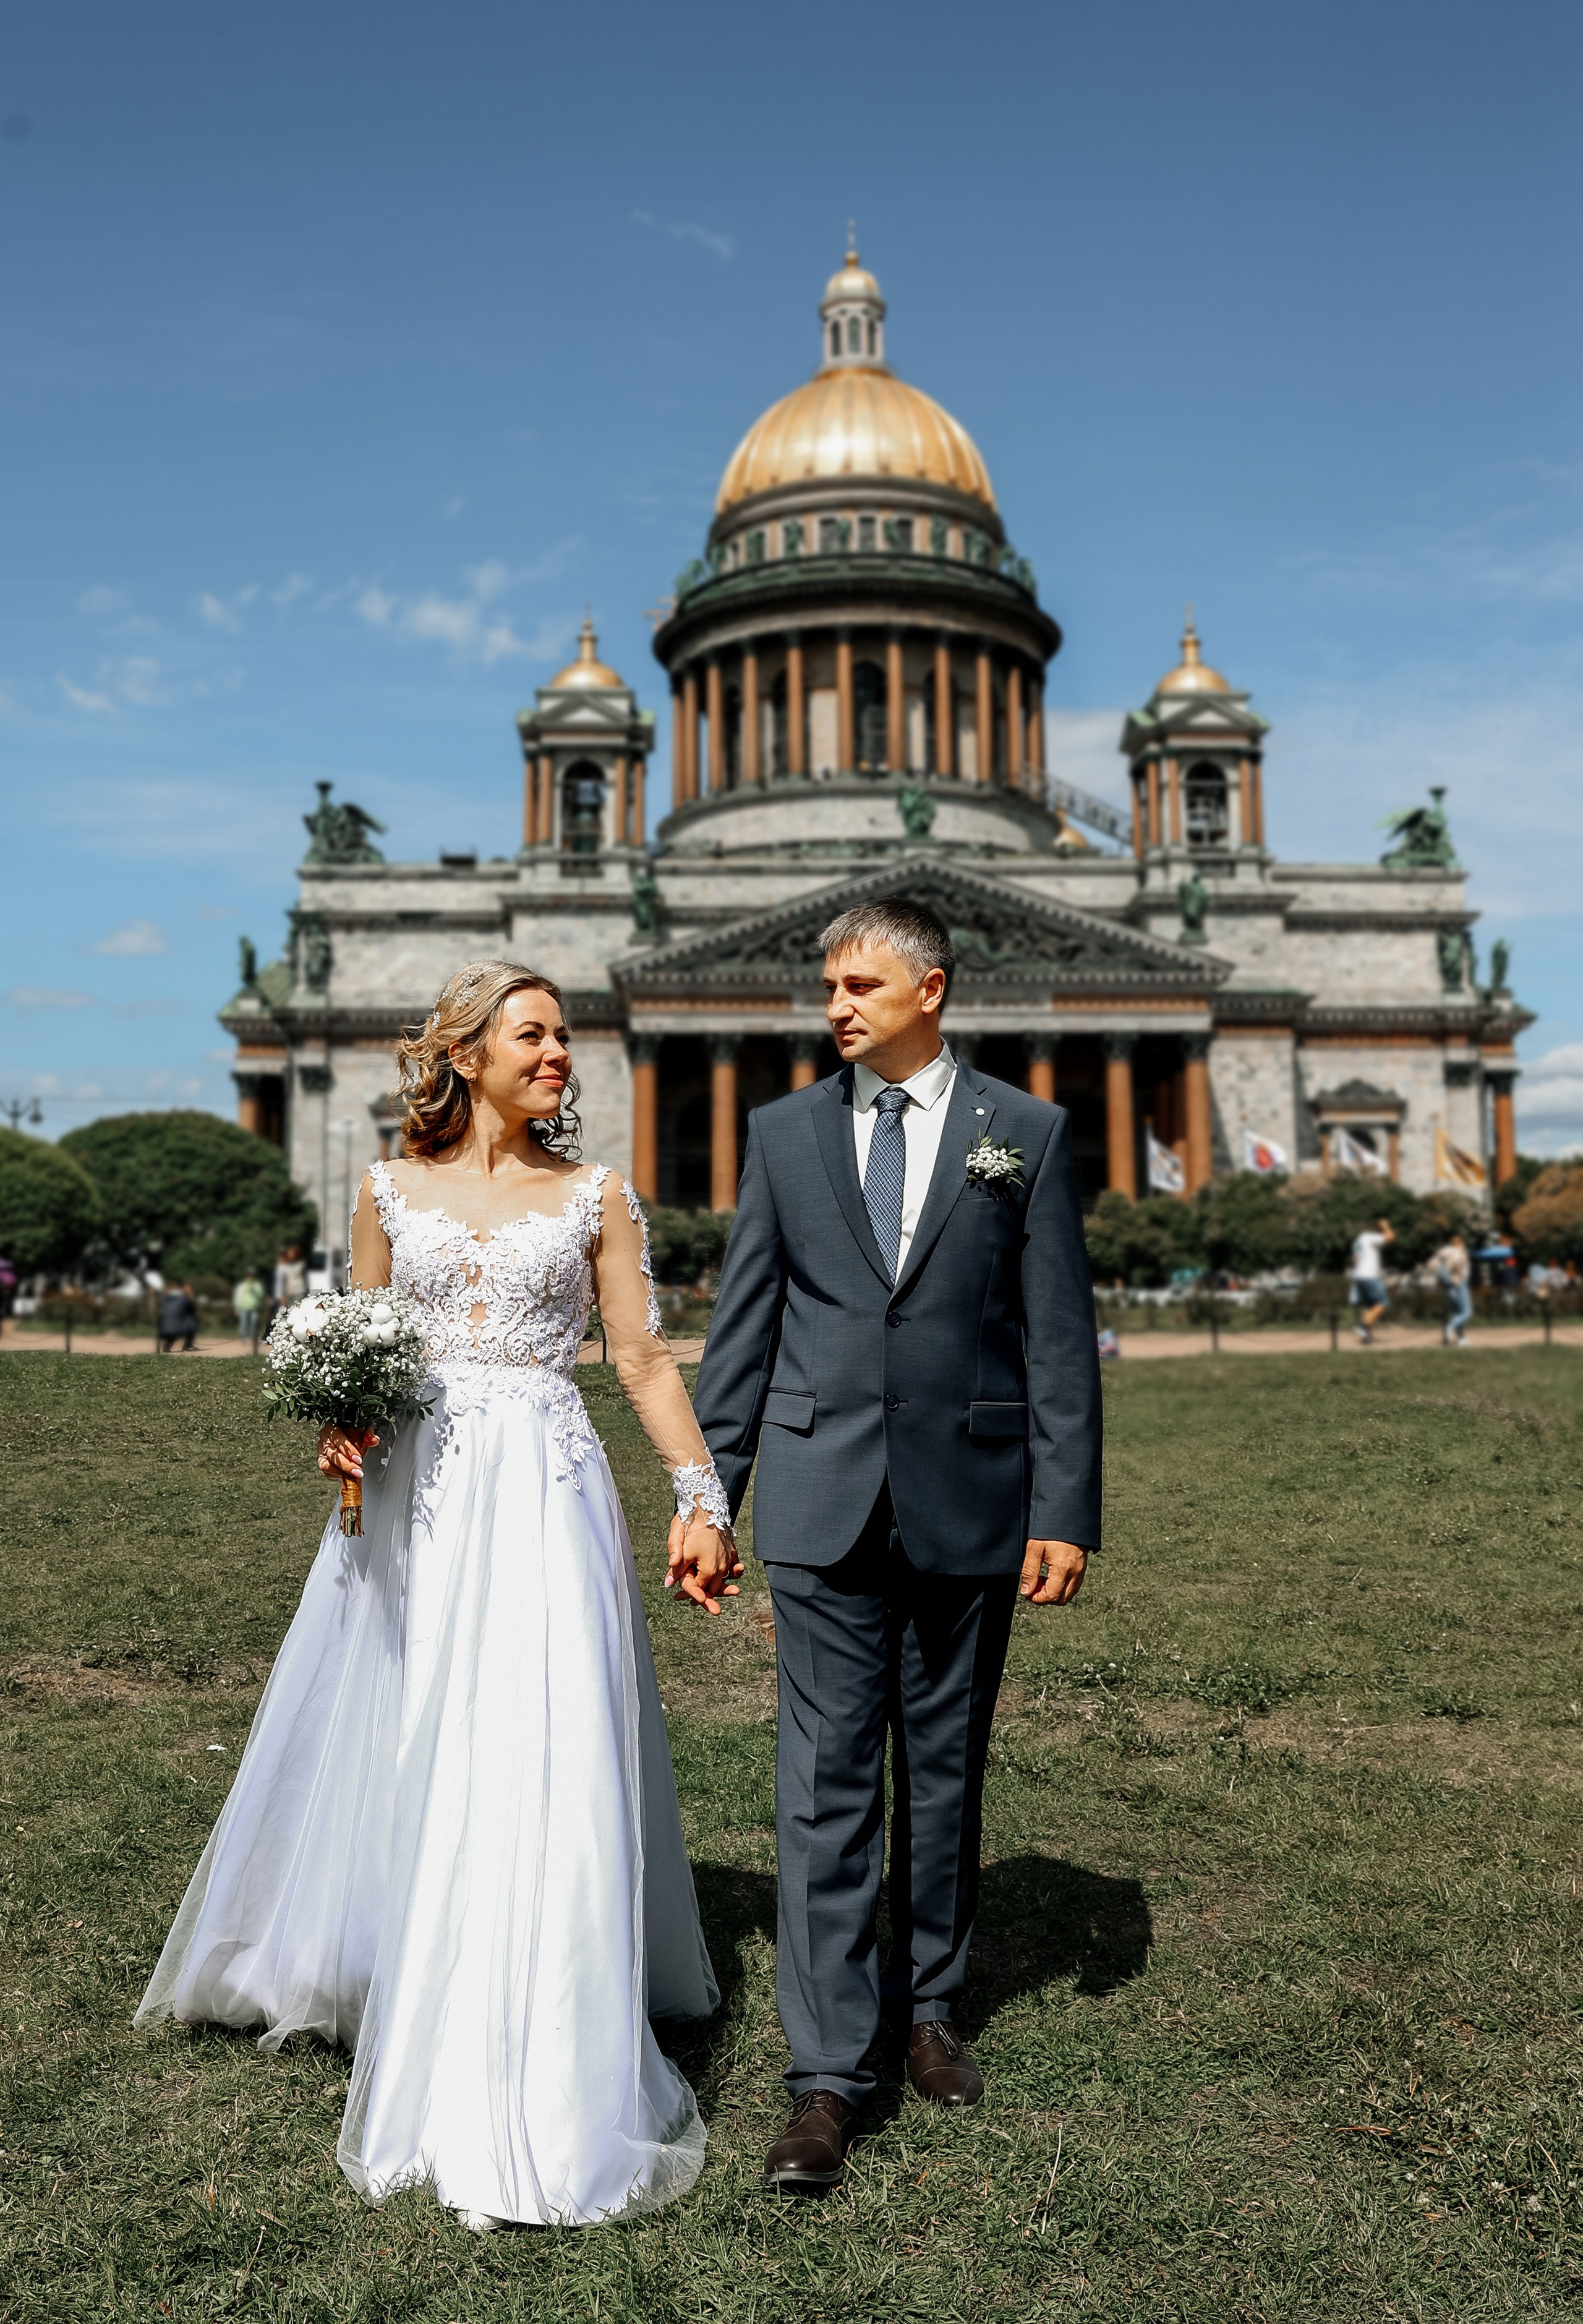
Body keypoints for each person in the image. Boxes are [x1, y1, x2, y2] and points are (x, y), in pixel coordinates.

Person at [135, 962, 733, 2229]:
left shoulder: (595, 1196)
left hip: (541, 1484)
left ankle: (536, 2016)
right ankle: (378, 1955)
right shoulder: (385, 1190)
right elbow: (368, 1338)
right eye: (535, 1034)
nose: (561, 1054)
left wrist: (700, 1493)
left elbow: (636, 1355)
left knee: (537, 1732)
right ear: (464, 1054)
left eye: (565, 1035)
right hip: (413, 1494)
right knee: (403, 1717)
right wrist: (337, 1424)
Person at [692, 897, 1101, 2194]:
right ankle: (825, 2074)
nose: (835, 1006)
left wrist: (1062, 1509)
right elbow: (743, 1330)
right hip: (817, 1506)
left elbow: (1054, 1340)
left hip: (973, 1501)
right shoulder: (784, 1132)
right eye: (828, 985)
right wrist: (710, 1497)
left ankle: (929, 2012)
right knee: (820, 1789)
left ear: (931, 989)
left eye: (859, 984)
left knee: (944, 1769)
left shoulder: (1022, 1131)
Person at [1349, 1217, 1394, 1343]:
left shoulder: (1358, 1241)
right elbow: (1390, 1238)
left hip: (1359, 1276)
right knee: (1383, 1302)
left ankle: (1366, 1336)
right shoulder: (1370, 1237)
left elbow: (1354, 1260)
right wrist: (1386, 1226)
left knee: (1371, 1306)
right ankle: (1362, 1327)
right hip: (1369, 1276)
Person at [1430, 1230, 1472, 1347]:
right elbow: (1457, 1265)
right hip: (1459, 1284)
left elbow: (1431, 1265)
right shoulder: (1460, 1252)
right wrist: (1457, 1276)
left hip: (1446, 1285)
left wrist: (1442, 1278)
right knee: (1467, 1313)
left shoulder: (1444, 1251)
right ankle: (1450, 1328)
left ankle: (1461, 1339)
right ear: (1462, 1242)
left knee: (1458, 1313)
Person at [157, 1281, 199, 1354]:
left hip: (164, 1328)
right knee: (191, 1322)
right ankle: (188, 1346)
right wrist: (191, 1296)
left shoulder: (165, 1299)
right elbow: (191, 1310)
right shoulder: (184, 1298)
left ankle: (168, 1344)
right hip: (178, 1327)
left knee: (173, 1326)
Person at [231, 1267, 265, 1343]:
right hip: (244, 1307)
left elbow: (261, 1295)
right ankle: (243, 1338)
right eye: (249, 1275)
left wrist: (254, 1289)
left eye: (252, 1275)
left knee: (254, 1323)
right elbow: (238, 1296)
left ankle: (254, 1338)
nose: (250, 1277)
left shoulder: (257, 1285)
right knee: (244, 1324)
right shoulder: (242, 1285)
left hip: (254, 1308)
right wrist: (237, 1308)